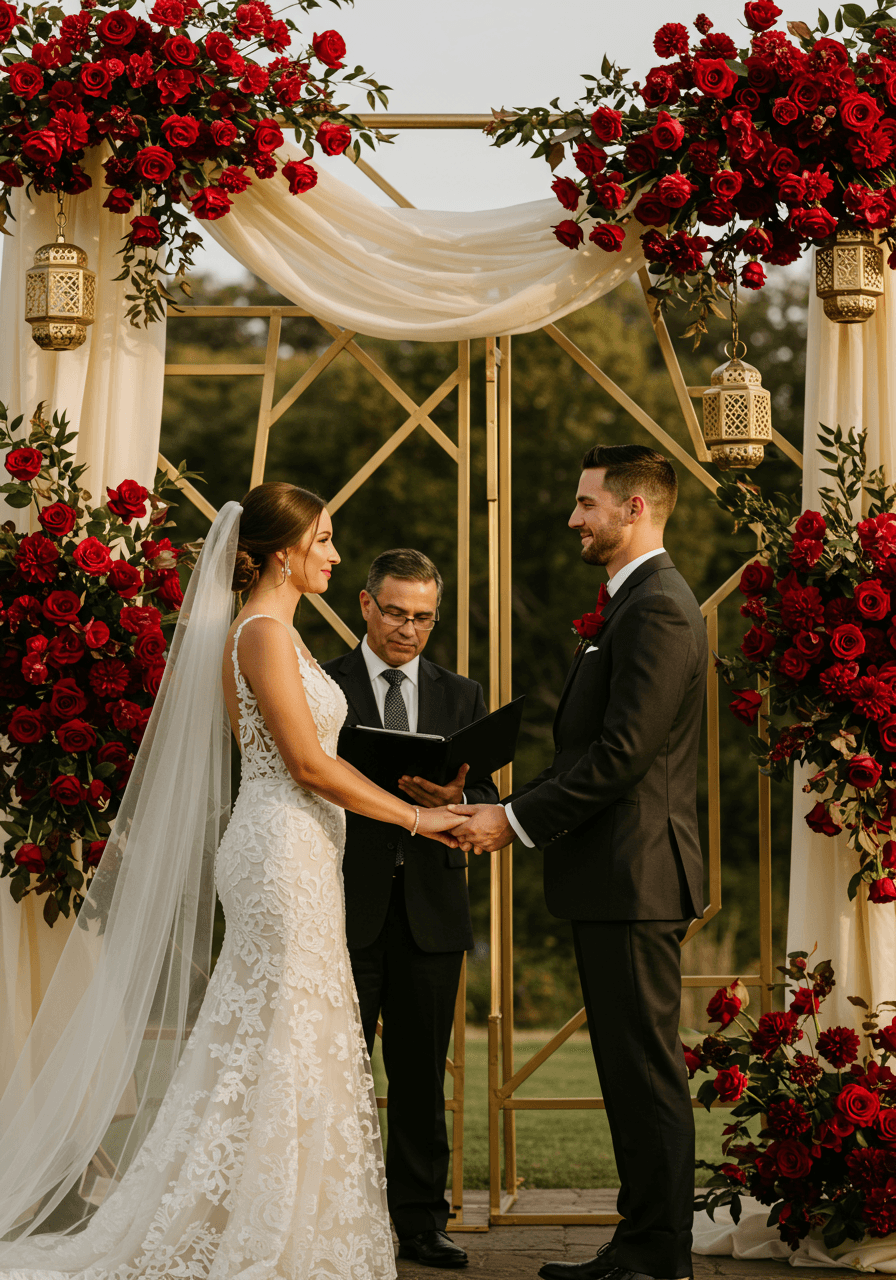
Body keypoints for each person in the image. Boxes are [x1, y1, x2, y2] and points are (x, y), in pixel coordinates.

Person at [0, 483, 463, 1280]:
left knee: (290, 1033)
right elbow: (307, 763)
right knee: (279, 1030)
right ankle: (261, 1221)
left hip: (304, 847)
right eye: (325, 539)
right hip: (280, 848)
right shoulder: (261, 635)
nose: (335, 553)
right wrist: (419, 820)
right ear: (285, 551)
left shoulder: (282, 633)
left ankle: (275, 1209)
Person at [449, 445, 707, 1280]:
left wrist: (513, 822)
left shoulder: (660, 608)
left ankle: (660, 1257)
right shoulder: (628, 605)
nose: (573, 518)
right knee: (627, 1070)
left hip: (638, 876)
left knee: (645, 1069)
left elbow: (623, 756)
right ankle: (638, 1245)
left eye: (586, 503)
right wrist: (490, 796)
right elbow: (588, 750)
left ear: (634, 509)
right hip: (612, 875)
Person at [323, 550, 498, 1270]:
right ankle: (333, 1213)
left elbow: (484, 796)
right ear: (366, 605)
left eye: (424, 617)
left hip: (432, 906)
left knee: (423, 1072)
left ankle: (422, 1223)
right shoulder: (323, 684)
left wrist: (456, 803)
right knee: (339, 1069)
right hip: (343, 903)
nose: (409, 629)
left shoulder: (462, 693)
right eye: (396, 612)